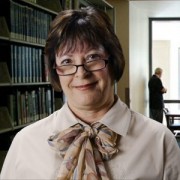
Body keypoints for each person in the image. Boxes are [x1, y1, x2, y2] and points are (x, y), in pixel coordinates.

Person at [1, 7, 180, 180]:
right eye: (67, 61)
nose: (81, 73)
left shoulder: (160, 141)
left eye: (92, 57)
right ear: (55, 71)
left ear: (113, 61)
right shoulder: (25, 143)